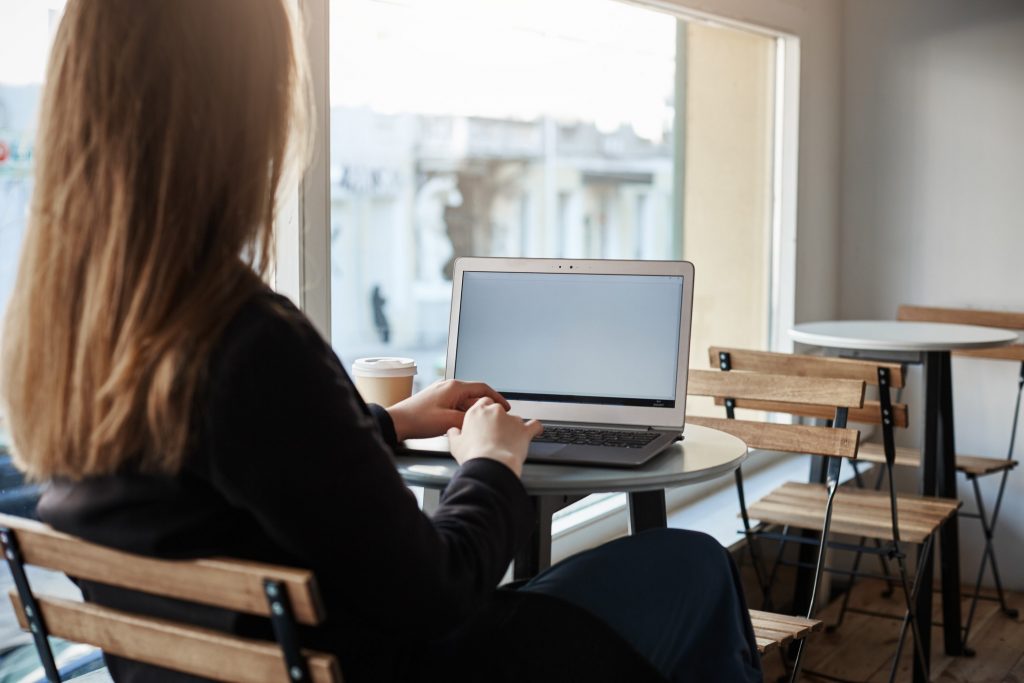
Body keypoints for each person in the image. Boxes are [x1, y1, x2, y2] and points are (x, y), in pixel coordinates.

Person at [0, 1, 762, 681]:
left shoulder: (67, 344)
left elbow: (233, 469)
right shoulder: (243, 341)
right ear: (234, 122)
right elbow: (441, 592)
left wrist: (392, 422)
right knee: (691, 562)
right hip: (416, 660)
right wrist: (492, 462)